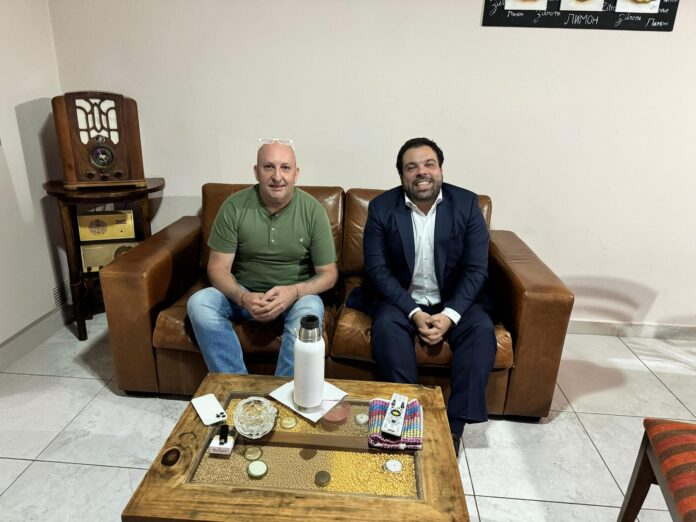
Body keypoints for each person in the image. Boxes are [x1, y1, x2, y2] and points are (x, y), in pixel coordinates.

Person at [358, 137, 497, 456]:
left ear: (441, 170)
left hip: (454, 298)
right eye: (412, 167)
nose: (421, 172)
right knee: (386, 327)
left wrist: (449, 316)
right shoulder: (382, 207)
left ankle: (453, 429)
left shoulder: (467, 204)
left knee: (481, 330)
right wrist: (414, 312)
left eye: (428, 164)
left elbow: (477, 270)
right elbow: (377, 270)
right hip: (402, 300)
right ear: (401, 175)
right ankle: (406, 418)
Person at [187, 138, 338, 377]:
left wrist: (294, 292)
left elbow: (329, 274)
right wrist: (243, 296)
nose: (277, 176)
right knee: (199, 303)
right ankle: (237, 386)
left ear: (296, 174)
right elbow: (217, 268)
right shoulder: (234, 206)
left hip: (293, 297)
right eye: (269, 167)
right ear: (256, 172)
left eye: (285, 167)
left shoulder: (313, 211)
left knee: (311, 309)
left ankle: (281, 391)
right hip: (243, 295)